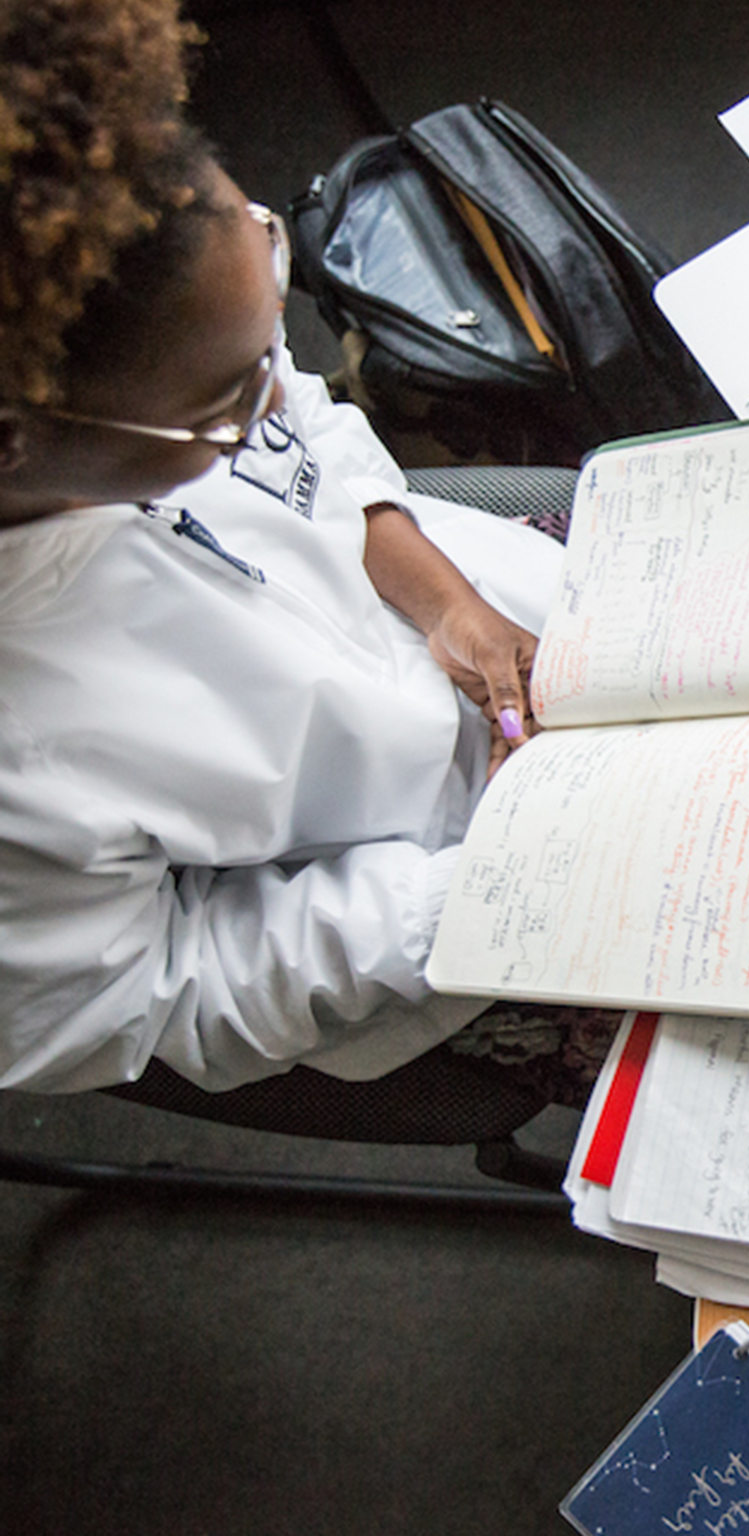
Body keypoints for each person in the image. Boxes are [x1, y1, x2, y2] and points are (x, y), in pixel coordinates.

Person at [0, 0, 609, 1101]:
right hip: (423, 928)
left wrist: (445, 605)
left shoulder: (147, 292)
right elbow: (150, 995)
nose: (279, 381)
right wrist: (487, 881)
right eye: (231, 400)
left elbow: (311, 429)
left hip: (474, 624)